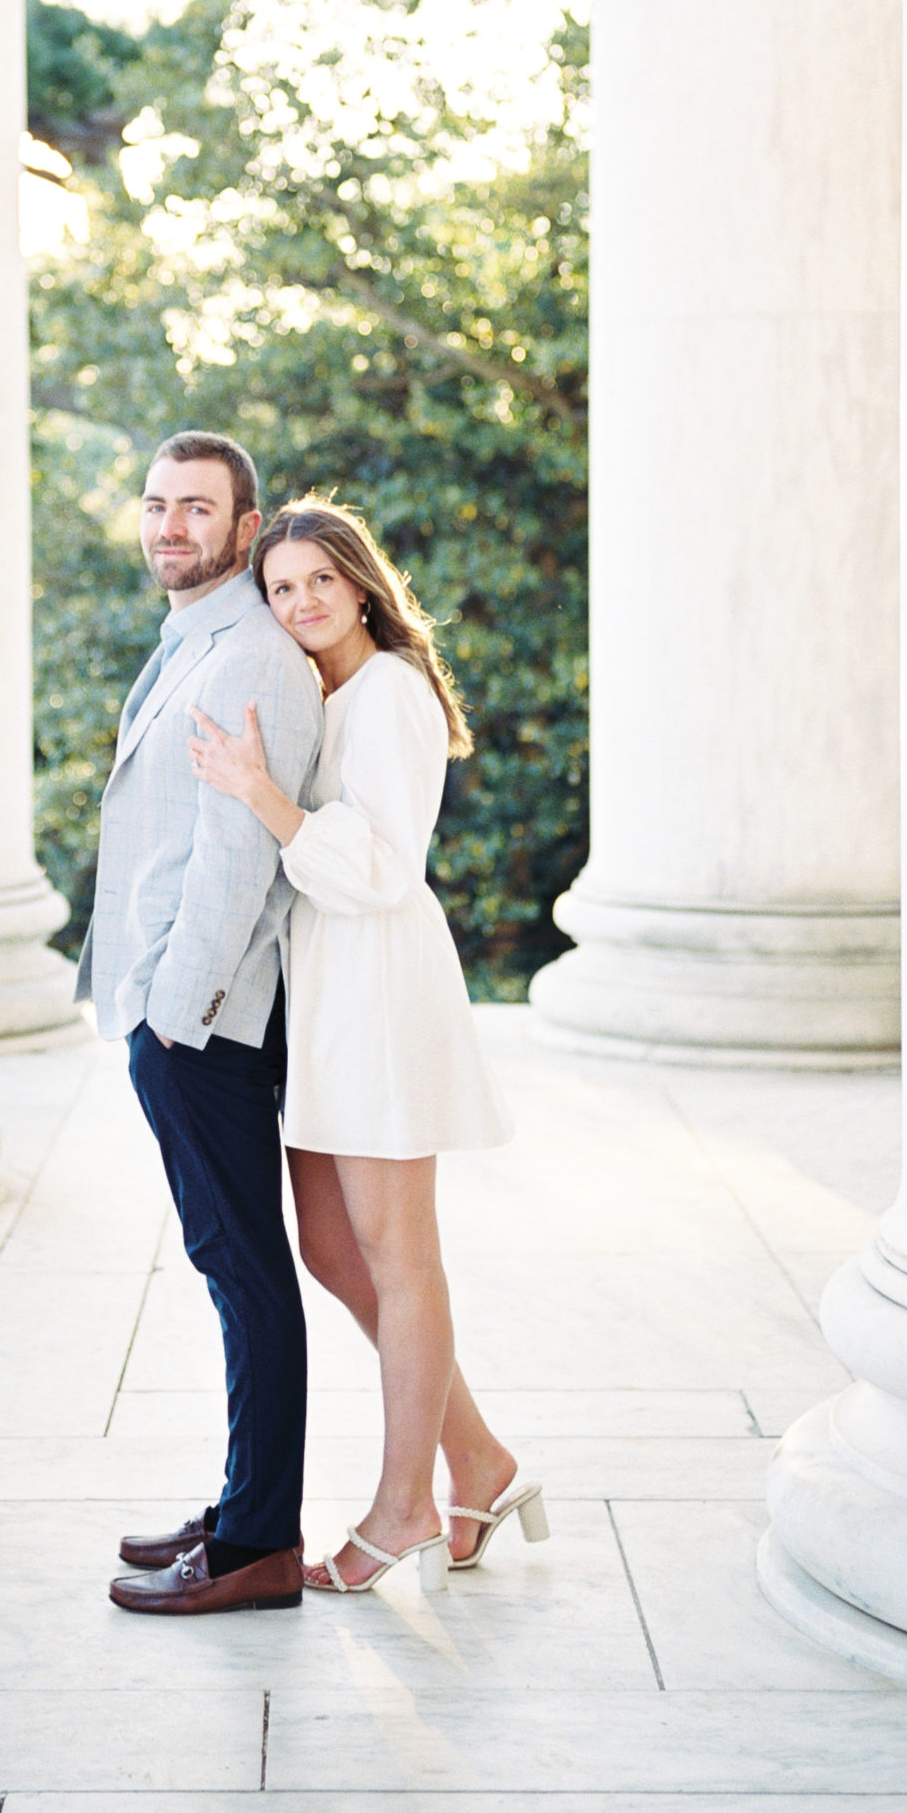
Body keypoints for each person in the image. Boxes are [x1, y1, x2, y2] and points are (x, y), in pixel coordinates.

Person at [187, 496, 548, 1593]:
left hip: (381, 992)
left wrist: (263, 797)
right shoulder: (327, 691)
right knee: (335, 1251)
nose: (299, 603)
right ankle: (478, 1455)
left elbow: (385, 868)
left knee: (400, 1255)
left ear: (361, 586)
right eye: (280, 588)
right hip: (328, 997)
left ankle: (407, 1509)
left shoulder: (389, 694)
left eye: (317, 583)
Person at [82, 432, 325, 1617]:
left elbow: (239, 860)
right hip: (176, 1016)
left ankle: (258, 1542)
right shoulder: (199, 638)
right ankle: (240, 1510)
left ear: (245, 523)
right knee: (232, 1266)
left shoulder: (257, 659)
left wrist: (173, 1019)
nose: (170, 526)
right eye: (157, 504)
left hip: (207, 1026)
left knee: (246, 1272)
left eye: (197, 508)